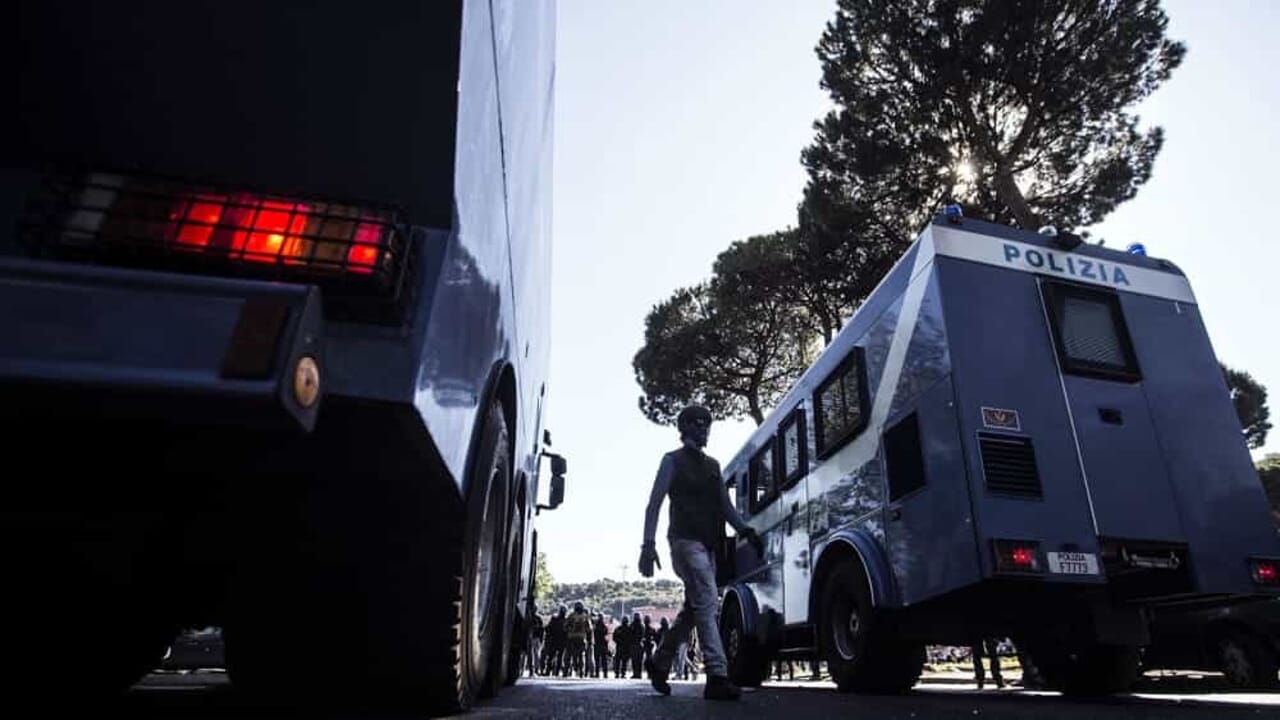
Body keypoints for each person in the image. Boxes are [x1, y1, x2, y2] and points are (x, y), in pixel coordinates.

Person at [639, 404, 764, 701]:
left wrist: (745, 530)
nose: (704, 429)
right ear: (684, 427)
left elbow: (725, 506)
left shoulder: (713, 466)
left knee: (693, 611)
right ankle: (717, 676)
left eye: (707, 424)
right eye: (697, 423)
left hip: (708, 548)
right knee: (708, 601)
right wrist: (647, 545)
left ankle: (659, 663)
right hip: (683, 542)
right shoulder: (672, 461)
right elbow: (654, 504)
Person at [565, 602, 592, 677]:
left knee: (569, 655)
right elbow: (589, 629)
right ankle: (581, 672)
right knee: (581, 656)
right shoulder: (585, 617)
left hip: (572, 638)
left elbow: (565, 627)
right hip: (581, 638)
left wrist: (570, 630)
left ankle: (566, 671)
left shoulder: (571, 616)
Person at [526, 612, 544, 677]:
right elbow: (542, 629)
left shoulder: (530, 618)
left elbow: (541, 629)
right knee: (535, 654)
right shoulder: (537, 618)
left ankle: (534, 670)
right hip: (535, 638)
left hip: (534, 638)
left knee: (533, 654)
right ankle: (534, 670)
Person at [593, 614, 610, 678]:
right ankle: (605, 674)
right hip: (603, 644)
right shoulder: (604, 626)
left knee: (597, 660)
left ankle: (597, 673)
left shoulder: (596, 627)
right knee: (603, 660)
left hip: (598, 644)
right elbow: (606, 633)